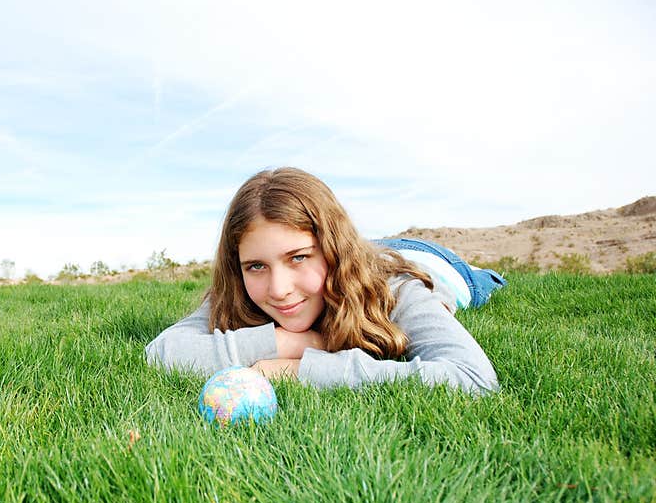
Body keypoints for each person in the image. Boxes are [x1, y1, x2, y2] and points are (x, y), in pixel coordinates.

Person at [145, 167, 507, 395]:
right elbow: (161, 353)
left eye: (298, 257)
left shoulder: (397, 290)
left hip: (434, 262)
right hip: (369, 250)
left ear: (333, 251)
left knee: (480, 284)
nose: (279, 289)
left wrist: (302, 369)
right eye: (256, 265)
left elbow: (473, 378)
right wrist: (288, 341)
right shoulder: (240, 288)